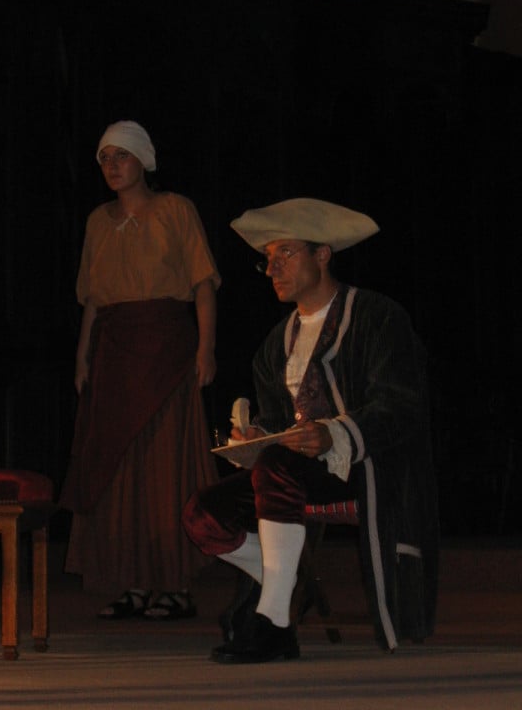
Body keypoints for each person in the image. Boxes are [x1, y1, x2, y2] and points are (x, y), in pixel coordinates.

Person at [182, 197, 439, 663]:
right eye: (268, 259)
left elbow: (401, 405)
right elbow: (280, 422)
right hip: (293, 473)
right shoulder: (276, 343)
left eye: (285, 253)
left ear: (322, 254)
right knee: (203, 511)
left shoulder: (377, 316)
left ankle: (275, 623)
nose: (272, 269)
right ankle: (283, 578)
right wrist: (256, 439)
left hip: (366, 465)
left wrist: (333, 433)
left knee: (278, 467)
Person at [59, 120, 221, 620]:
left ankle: (173, 583)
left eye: (121, 155)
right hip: (113, 351)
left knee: (165, 466)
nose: (112, 165)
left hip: (166, 349)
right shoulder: (97, 221)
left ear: (143, 160)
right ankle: (129, 581)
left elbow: (203, 284)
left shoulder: (175, 209)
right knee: (119, 469)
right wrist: (83, 357)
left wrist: (206, 349)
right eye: (105, 158)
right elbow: (93, 299)